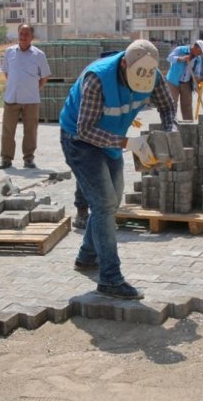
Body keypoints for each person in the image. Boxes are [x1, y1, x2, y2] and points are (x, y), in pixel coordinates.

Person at [59, 39, 177, 299]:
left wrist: (170, 133)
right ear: (124, 63)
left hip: (111, 141)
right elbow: (85, 130)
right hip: (79, 141)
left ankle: (87, 256)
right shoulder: (97, 79)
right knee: (103, 204)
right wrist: (129, 143)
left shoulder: (151, 75)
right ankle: (110, 279)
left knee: (110, 203)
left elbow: (167, 106)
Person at [0, 24, 51, 170]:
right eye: (21, 33)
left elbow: (44, 76)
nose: (23, 37)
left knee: (30, 130)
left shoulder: (39, 55)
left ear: (32, 37)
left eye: (26, 34)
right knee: (8, 130)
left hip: (31, 100)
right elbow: (6, 72)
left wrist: (34, 88)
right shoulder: (9, 52)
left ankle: (28, 158)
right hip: (11, 98)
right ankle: (6, 159)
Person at [166, 40, 203, 120]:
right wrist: (181, 58)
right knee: (172, 103)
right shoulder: (181, 49)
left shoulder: (198, 59)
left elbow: (197, 72)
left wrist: (197, 79)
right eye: (200, 52)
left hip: (186, 83)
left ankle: (188, 124)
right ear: (195, 47)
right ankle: (171, 122)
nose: (200, 54)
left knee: (187, 105)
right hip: (173, 81)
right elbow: (169, 58)